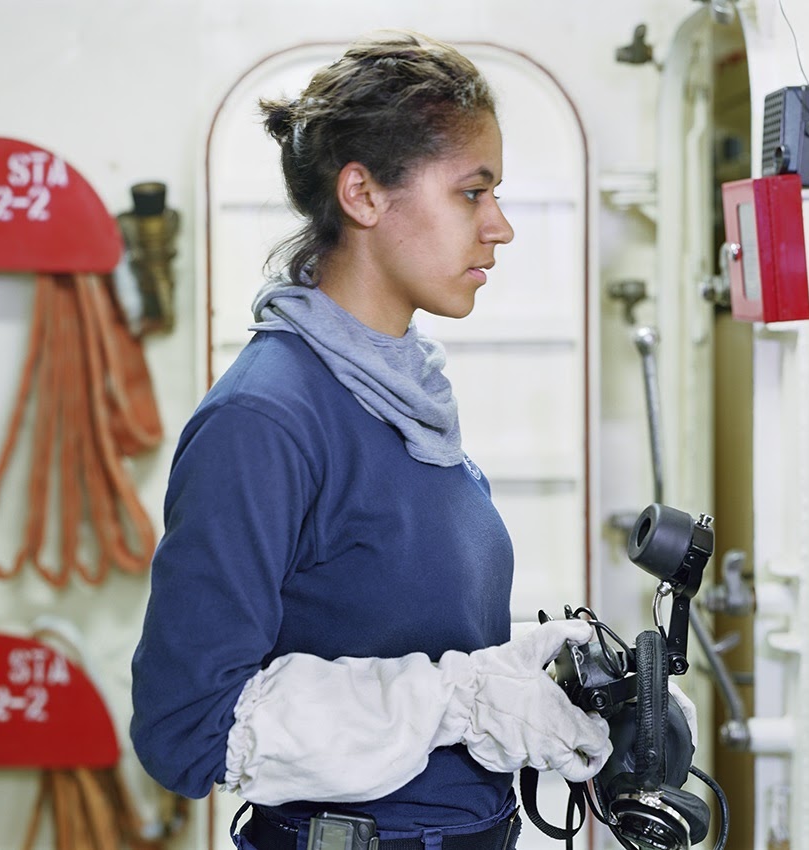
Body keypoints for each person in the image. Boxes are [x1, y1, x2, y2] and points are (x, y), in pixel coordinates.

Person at [130, 30, 613, 850]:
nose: (499, 227)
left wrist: (525, 665)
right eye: (472, 193)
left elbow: (403, 631)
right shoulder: (267, 419)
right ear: (362, 194)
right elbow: (186, 726)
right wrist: (460, 699)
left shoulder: (406, 396)